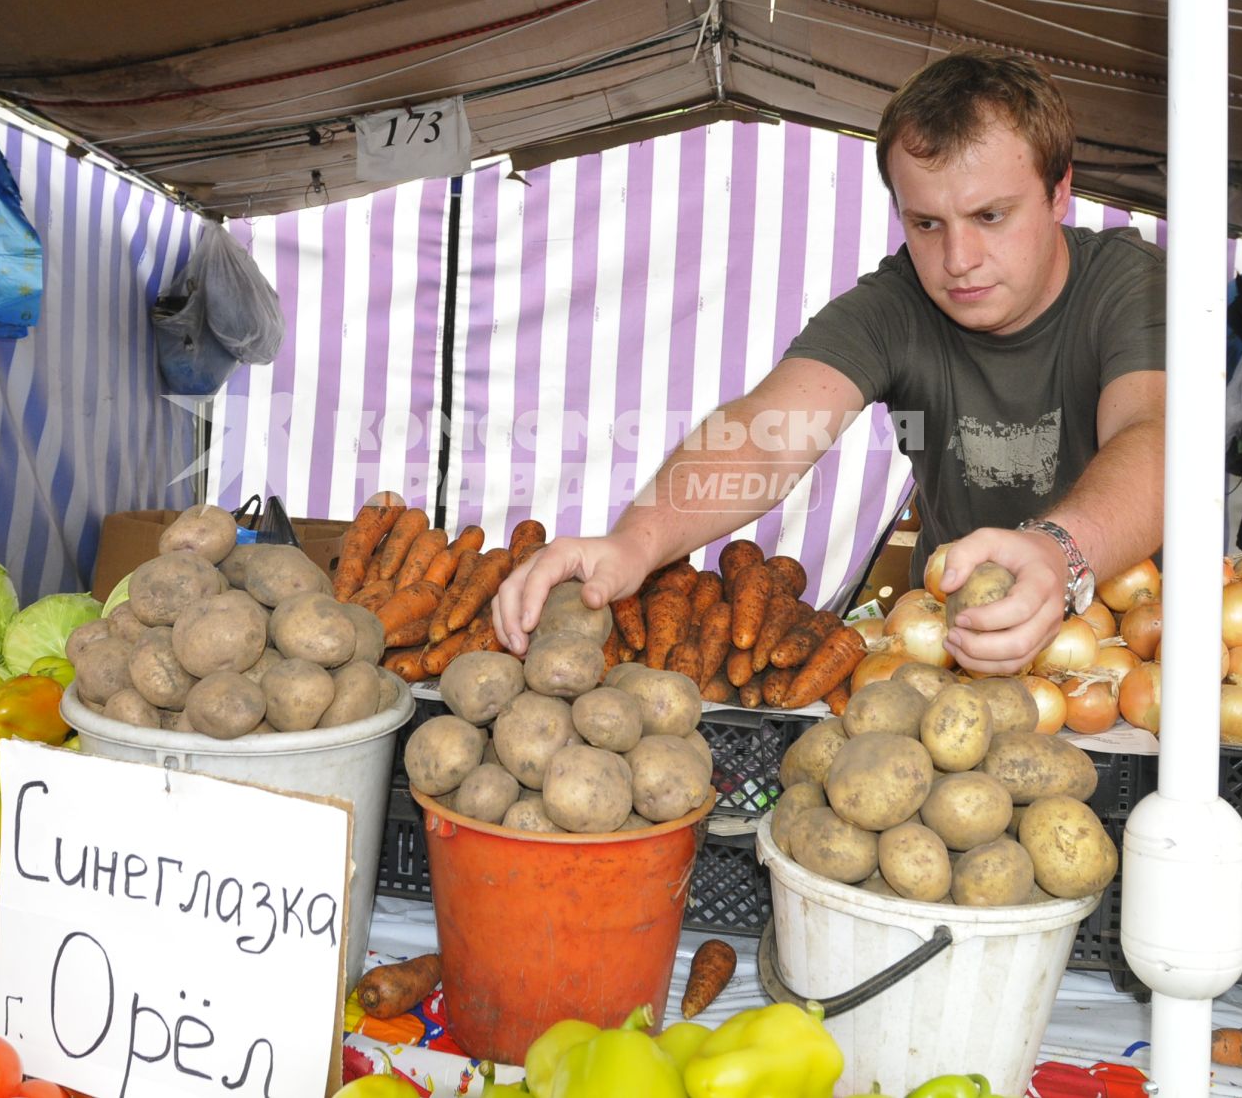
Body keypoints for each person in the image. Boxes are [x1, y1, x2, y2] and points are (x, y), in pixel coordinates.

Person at [492, 51, 1166, 675]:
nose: (957, 259)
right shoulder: (897, 304)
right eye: (926, 223)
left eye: (990, 216)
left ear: (1058, 194)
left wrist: (1061, 552)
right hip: (954, 651)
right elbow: (763, 436)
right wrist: (633, 544)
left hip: (1128, 650)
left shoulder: (1126, 283)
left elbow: (1157, 435)